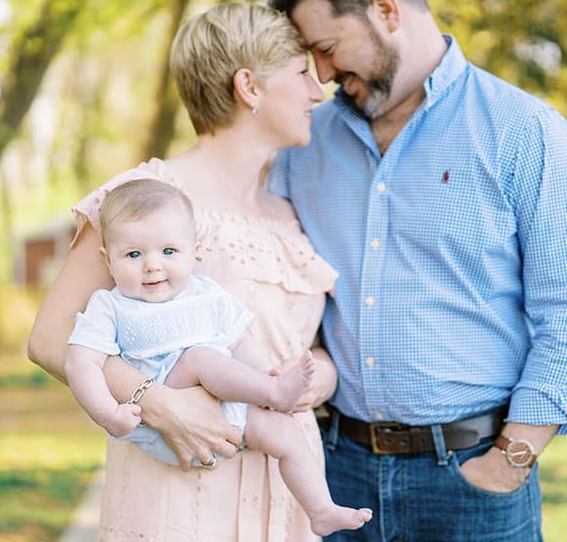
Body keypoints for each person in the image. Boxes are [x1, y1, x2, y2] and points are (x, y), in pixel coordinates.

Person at [266, 0, 567, 541]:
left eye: (327, 46)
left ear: (385, 9)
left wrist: (507, 463)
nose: (322, 73)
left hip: (473, 483)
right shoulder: (302, 146)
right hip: (332, 477)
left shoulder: (526, 134)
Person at [28, 1, 347, 541]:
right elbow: (50, 338)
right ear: (249, 86)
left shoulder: (287, 214)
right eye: (300, 73)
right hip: (183, 493)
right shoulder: (144, 198)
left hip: (284, 488)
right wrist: (156, 401)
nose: (318, 91)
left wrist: (318, 377)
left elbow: (300, 345)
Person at [65, 178, 372, 536]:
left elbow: (240, 341)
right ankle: (274, 392)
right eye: (133, 254)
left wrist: (265, 373)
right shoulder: (111, 305)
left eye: (168, 252)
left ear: (194, 252)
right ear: (108, 259)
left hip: (226, 416)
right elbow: (81, 362)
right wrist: (108, 413)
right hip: (165, 416)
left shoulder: (206, 294)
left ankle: (320, 508)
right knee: (200, 357)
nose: (152, 265)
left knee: (286, 433)